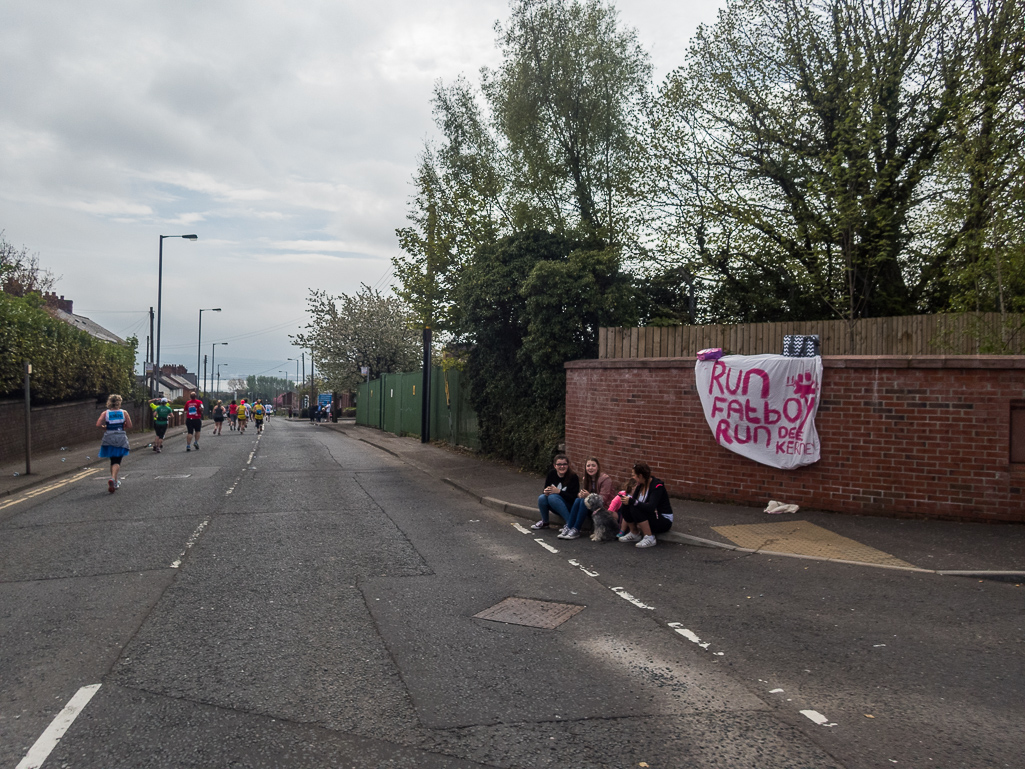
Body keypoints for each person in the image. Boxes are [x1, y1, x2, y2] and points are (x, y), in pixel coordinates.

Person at [618, 462, 674, 548]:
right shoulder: (640, 485)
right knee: (626, 505)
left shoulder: (657, 487)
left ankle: (649, 537)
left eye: (634, 475)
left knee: (634, 505)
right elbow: (634, 501)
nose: (633, 477)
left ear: (640, 476)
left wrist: (633, 502)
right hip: (650, 516)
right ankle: (634, 533)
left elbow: (651, 507)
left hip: (663, 520)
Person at [558, 457, 615, 540]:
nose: (590, 468)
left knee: (582, 502)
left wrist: (589, 495)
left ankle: (576, 529)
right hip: (591, 507)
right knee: (579, 500)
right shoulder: (586, 478)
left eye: (593, 466)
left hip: (603, 508)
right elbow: (583, 495)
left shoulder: (605, 479)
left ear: (598, 467)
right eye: (588, 466)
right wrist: (580, 494)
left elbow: (603, 499)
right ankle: (569, 527)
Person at [531, 454, 580, 530]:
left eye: (564, 464)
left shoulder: (573, 477)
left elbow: (573, 498)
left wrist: (559, 492)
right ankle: (545, 522)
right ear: (554, 466)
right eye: (559, 464)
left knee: (552, 497)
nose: (562, 466)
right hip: (555, 505)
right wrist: (545, 492)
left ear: (568, 465)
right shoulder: (551, 474)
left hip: (569, 506)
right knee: (542, 497)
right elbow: (546, 488)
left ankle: (569, 523)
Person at [96, 394, 133, 492]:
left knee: (112, 459)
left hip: (109, 436)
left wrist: (105, 427)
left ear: (109, 402)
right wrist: (123, 425)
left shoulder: (105, 413)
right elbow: (129, 425)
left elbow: (98, 424)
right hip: (120, 436)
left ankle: (115, 482)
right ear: (119, 403)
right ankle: (113, 479)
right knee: (117, 461)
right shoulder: (124, 412)